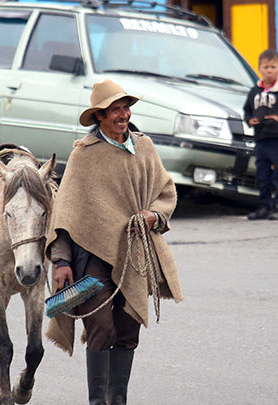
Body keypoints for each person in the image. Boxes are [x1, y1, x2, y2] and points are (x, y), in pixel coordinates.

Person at [44, 79, 183, 405]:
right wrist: (61, 262)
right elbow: (63, 216)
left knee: (127, 331)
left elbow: (166, 192)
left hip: (134, 255)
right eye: (116, 110)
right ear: (100, 117)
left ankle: (117, 400)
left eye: (126, 108)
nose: (124, 115)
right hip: (91, 259)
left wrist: (153, 216)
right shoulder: (84, 157)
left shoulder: (144, 147)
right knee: (101, 327)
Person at [243, 49, 278, 220]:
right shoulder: (254, 91)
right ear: (260, 68)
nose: (269, 70)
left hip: (277, 140)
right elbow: (246, 110)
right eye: (266, 67)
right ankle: (264, 206)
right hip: (260, 140)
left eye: (273, 67)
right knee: (262, 175)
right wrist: (250, 120)